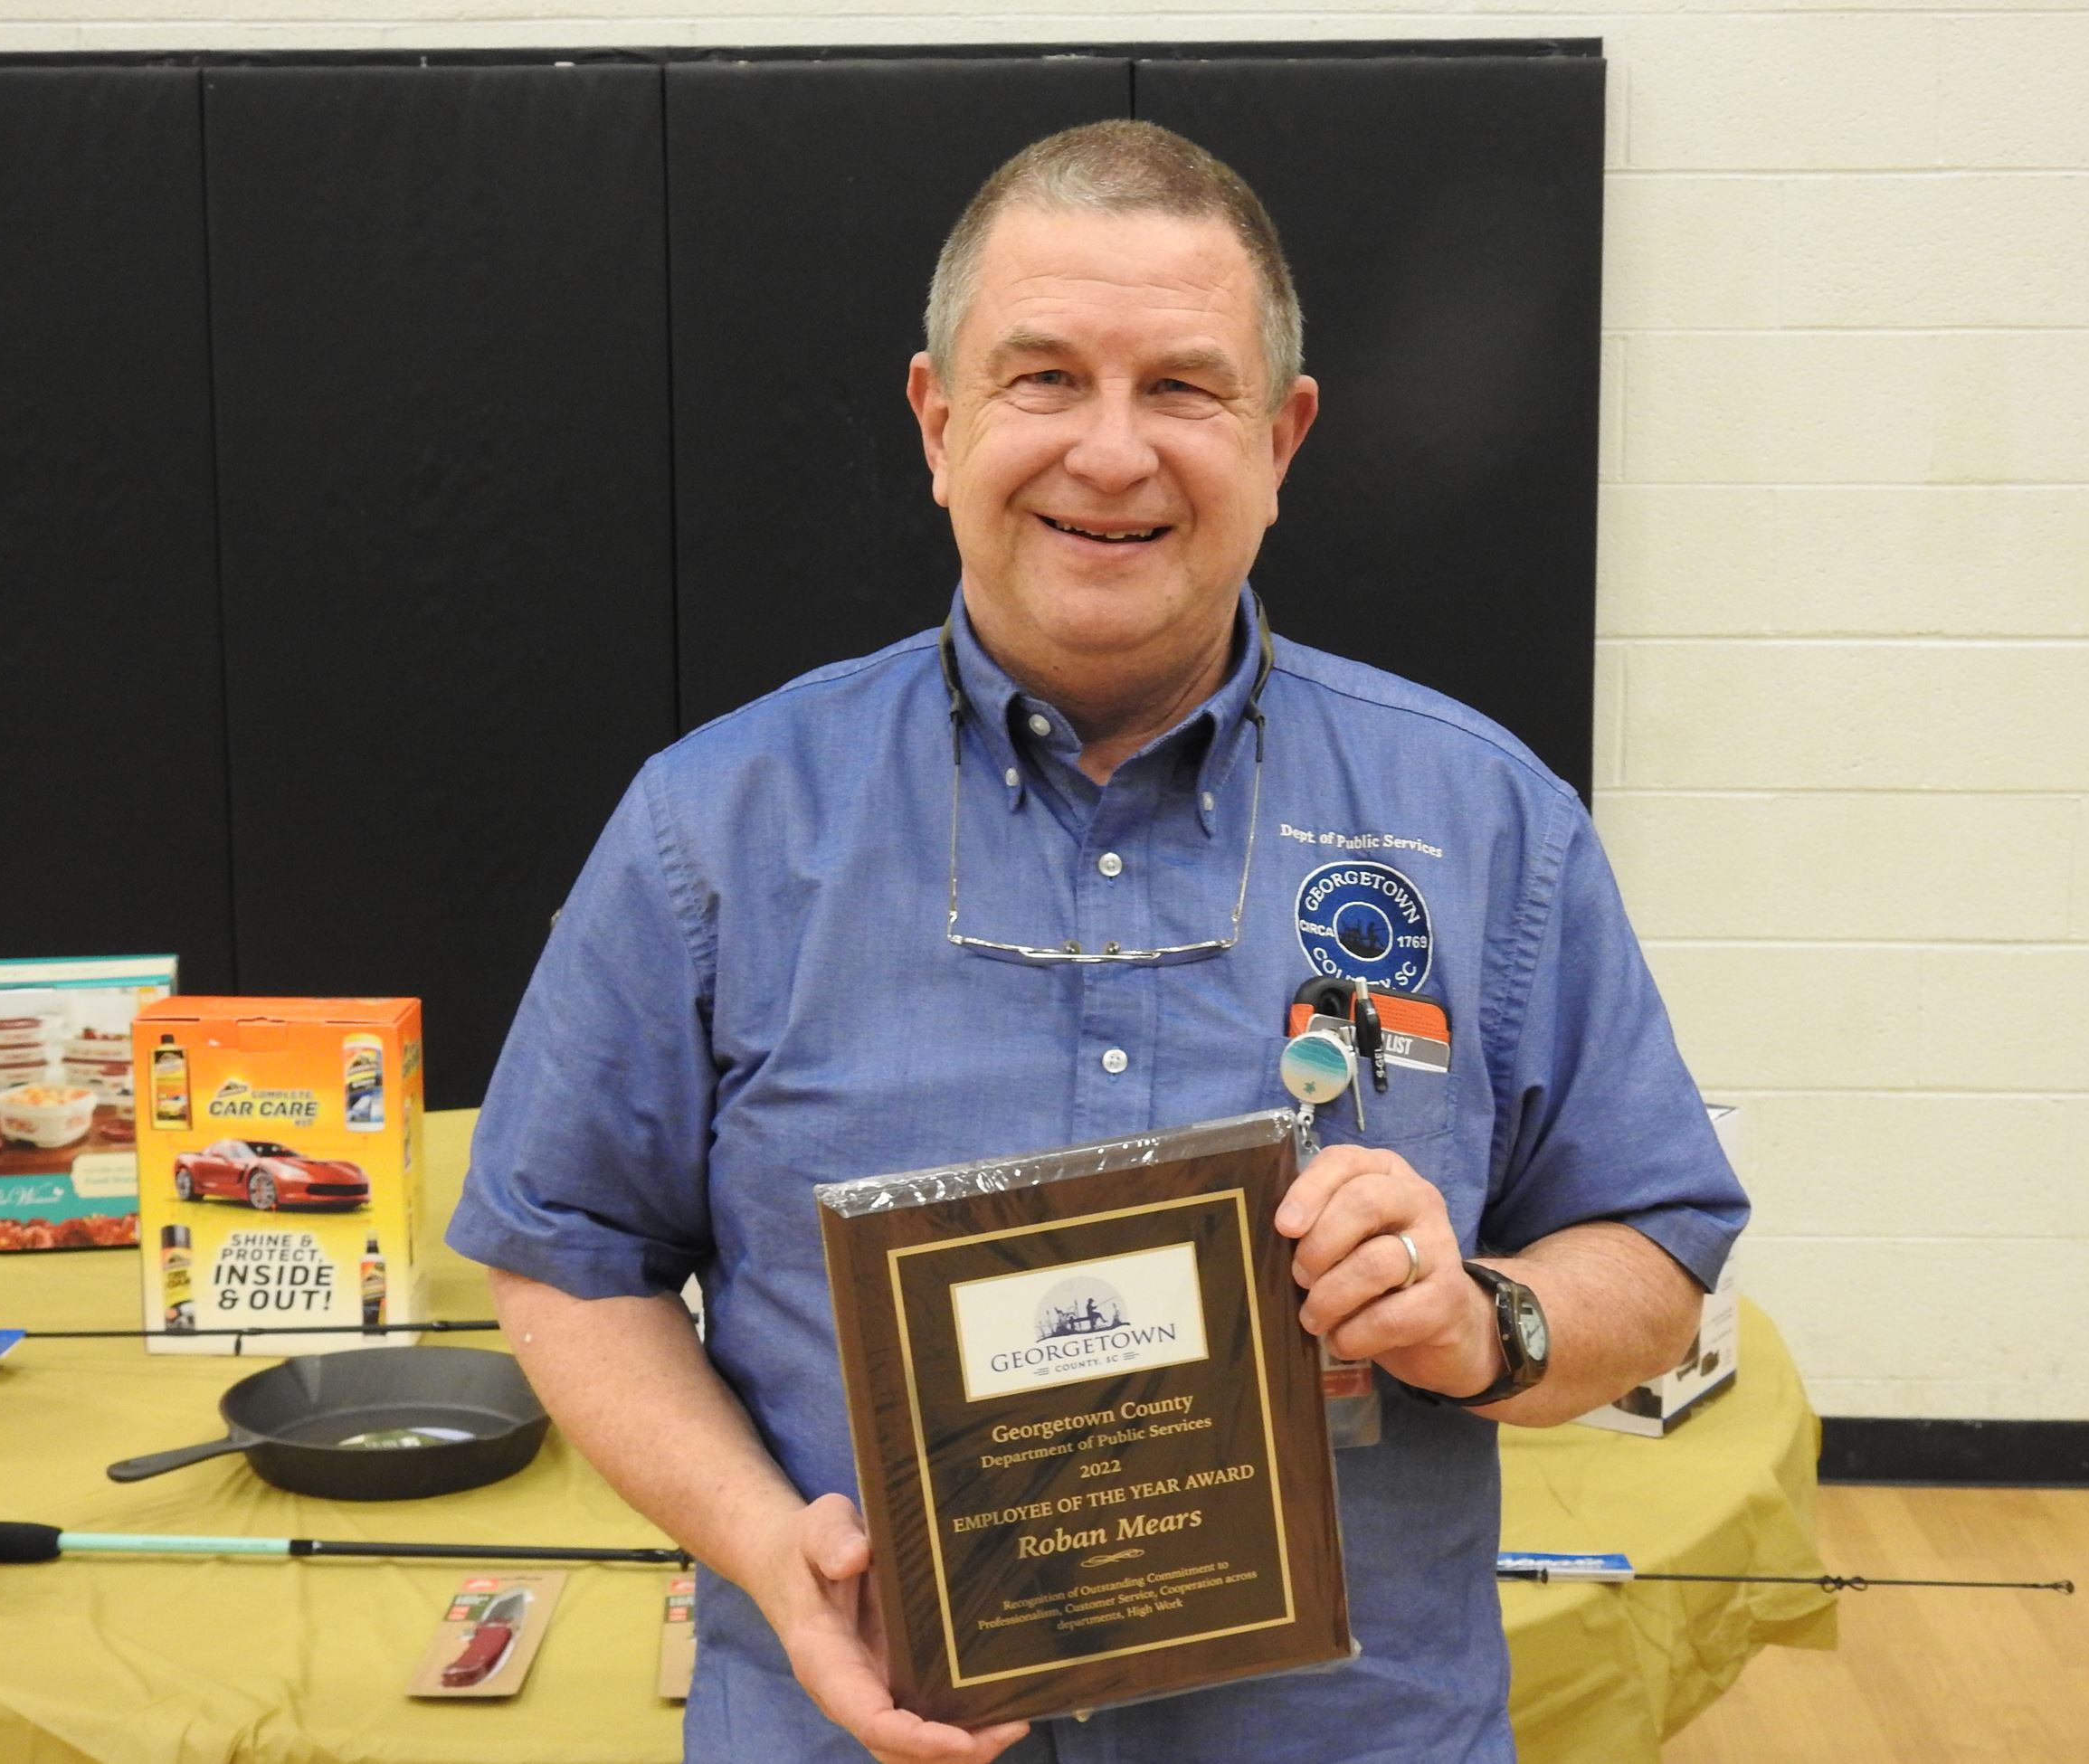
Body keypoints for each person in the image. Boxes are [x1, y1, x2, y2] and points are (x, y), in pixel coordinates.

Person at [448, 120, 1747, 1764]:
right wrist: (771, 1551)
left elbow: (1657, 1238)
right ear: (939, 420)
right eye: (1043, 377)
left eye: (1184, 389)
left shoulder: (1489, 819)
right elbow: (565, 1256)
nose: (1112, 453)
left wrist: (1485, 1318)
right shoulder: (714, 827)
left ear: (1283, 438)